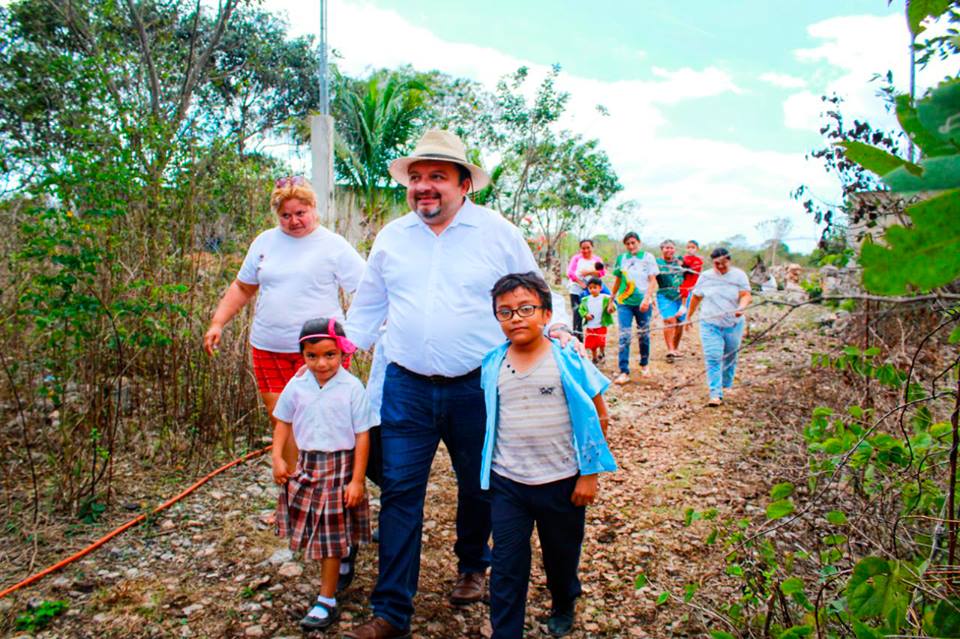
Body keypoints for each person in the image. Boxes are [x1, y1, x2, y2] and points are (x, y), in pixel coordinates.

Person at [342, 129, 573, 639]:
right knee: (401, 493)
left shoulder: (496, 233)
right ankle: (391, 613)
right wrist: (333, 359)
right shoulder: (392, 237)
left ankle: (473, 565)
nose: (424, 187)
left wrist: (555, 332)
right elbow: (367, 310)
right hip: (406, 384)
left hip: (479, 386)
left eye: (437, 178)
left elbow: (534, 291)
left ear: (465, 184)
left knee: (480, 485)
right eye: (417, 178)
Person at [203, 177, 367, 584]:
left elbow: (366, 290)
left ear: (314, 209)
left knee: (328, 429)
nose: (294, 221)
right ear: (276, 215)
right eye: (286, 215)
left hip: (320, 353)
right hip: (270, 349)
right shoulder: (265, 242)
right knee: (286, 423)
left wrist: (355, 339)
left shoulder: (332, 245)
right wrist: (218, 321)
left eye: (301, 213)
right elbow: (243, 286)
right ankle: (301, 503)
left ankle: (342, 506)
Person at [480, 272, 615, 639]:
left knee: (560, 553)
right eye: (505, 312)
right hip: (508, 482)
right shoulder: (492, 364)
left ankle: (563, 599)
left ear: (546, 314)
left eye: (526, 308)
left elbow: (598, 414)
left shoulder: (568, 359)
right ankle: (505, 631)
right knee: (507, 561)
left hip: (562, 481)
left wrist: (589, 474)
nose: (516, 318)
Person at [272, 318, 376, 631]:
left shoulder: (351, 388)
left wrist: (357, 479)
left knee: (329, 535)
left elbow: (362, 435)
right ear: (302, 355)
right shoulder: (297, 384)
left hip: (340, 466)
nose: (321, 363)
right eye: (312, 356)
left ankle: (326, 599)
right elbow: (283, 421)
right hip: (307, 465)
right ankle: (342, 558)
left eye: (330, 355)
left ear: (342, 353)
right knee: (318, 530)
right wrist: (277, 457)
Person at [686, 248, 753, 407]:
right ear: (712, 263)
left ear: (729, 261)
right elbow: (696, 297)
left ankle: (726, 384)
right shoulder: (706, 277)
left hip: (733, 324)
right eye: (717, 264)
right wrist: (688, 316)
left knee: (730, 353)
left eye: (724, 263)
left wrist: (741, 307)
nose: (721, 267)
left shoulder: (739, 275)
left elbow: (746, 295)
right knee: (713, 356)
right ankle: (715, 393)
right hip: (710, 323)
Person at [607, 231, 659, 384]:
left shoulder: (648, 258)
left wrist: (647, 298)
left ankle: (644, 364)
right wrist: (611, 299)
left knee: (644, 334)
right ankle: (624, 370)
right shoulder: (622, 259)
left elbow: (652, 280)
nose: (631, 246)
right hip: (624, 302)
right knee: (624, 335)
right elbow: (618, 279)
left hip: (643, 302)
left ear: (639, 242)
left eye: (633, 243)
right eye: (628, 244)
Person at [566, 239, 605, 338]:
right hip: (576, 290)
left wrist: (589, 273)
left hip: (591, 291)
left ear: (592, 248)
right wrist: (580, 283)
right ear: (580, 249)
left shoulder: (597, 260)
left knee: (592, 314)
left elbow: (602, 273)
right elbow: (570, 273)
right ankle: (578, 338)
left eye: (588, 248)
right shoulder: (576, 259)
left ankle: (594, 338)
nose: (586, 250)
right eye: (583, 248)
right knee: (577, 313)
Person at [655, 240, 687, 361]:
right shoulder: (657, 263)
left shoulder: (680, 262)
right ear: (662, 249)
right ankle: (670, 350)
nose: (669, 250)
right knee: (670, 320)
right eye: (666, 248)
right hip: (664, 294)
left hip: (681, 295)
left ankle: (675, 348)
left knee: (680, 322)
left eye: (671, 248)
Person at [578, 277, 613, 364]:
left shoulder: (606, 298)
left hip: (601, 325)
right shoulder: (585, 300)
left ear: (600, 288)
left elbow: (612, 306)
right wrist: (585, 315)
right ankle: (594, 357)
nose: (592, 290)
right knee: (592, 344)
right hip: (591, 325)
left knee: (601, 341)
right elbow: (581, 309)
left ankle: (602, 353)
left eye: (595, 287)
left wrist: (610, 309)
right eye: (590, 288)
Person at [679, 240, 703, 306]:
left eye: (693, 247)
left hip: (694, 286)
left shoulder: (699, 260)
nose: (690, 249)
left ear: (697, 249)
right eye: (688, 247)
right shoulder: (683, 259)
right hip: (684, 285)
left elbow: (695, 272)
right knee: (683, 306)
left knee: (690, 305)